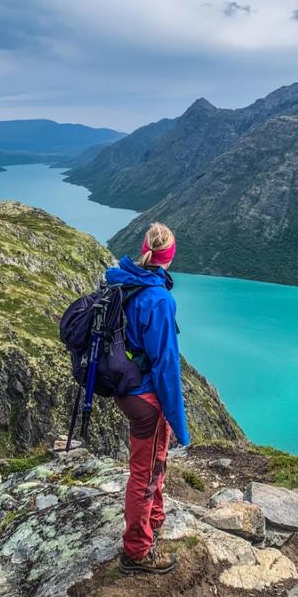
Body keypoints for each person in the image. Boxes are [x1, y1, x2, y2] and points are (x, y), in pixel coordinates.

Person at [105, 222, 190, 575]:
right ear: (169, 256)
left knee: (151, 464)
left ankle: (154, 520)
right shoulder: (158, 299)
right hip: (147, 399)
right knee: (145, 473)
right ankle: (137, 552)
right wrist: (180, 424)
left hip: (127, 389)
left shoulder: (124, 282)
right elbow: (166, 365)